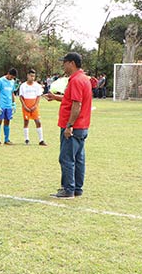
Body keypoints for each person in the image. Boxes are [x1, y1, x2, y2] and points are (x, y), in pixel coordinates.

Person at [43, 52, 92, 199]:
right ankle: (77, 188)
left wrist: (69, 126)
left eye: (64, 62)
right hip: (82, 126)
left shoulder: (76, 80)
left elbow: (77, 105)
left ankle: (68, 189)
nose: (63, 65)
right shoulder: (83, 79)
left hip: (74, 127)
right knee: (78, 158)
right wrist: (56, 97)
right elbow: (71, 99)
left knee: (66, 158)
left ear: (71, 63)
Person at [18, 69, 47, 146]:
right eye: (31, 76)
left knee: (38, 122)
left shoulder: (37, 85)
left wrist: (35, 106)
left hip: (34, 106)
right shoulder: (23, 86)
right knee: (26, 121)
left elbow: (38, 96)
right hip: (26, 106)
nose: (32, 78)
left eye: (34, 76)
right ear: (27, 76)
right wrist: (24, 106)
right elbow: (21, 97)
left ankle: (41, 140)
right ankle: (26, 139)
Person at [0, 68, 17, 146]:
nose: (11, 78)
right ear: (8, 73)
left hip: (9, 105)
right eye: (11, 76)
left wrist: (14, 104)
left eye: (13, 77)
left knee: (7, 121)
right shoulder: (0, 81)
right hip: (1, 105)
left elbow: (12, 93)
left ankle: (6, 139)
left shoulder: (12, 82)